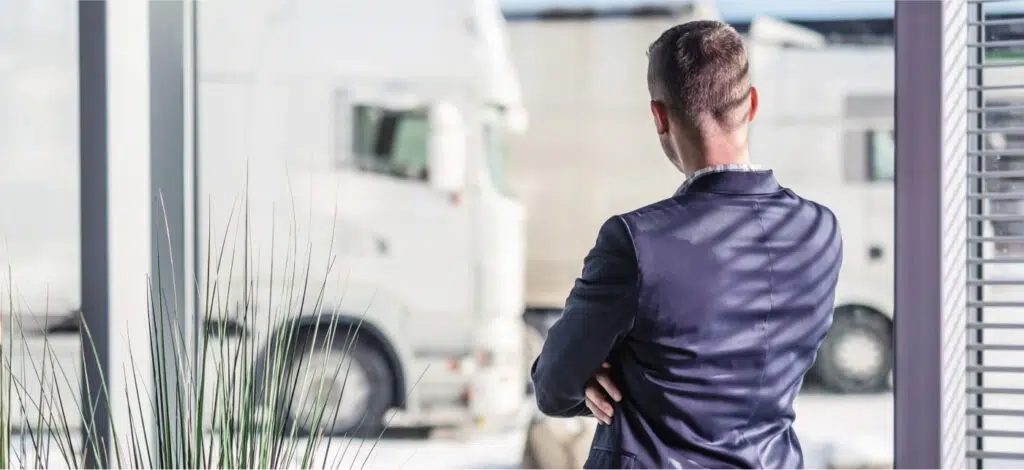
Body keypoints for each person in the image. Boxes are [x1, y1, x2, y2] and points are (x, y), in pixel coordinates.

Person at [530, 20, 843, 469]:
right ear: (751, 104)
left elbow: (553, 385)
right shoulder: (820, 231)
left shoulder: (635, 241)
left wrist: (599, 372)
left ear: (659, 116)